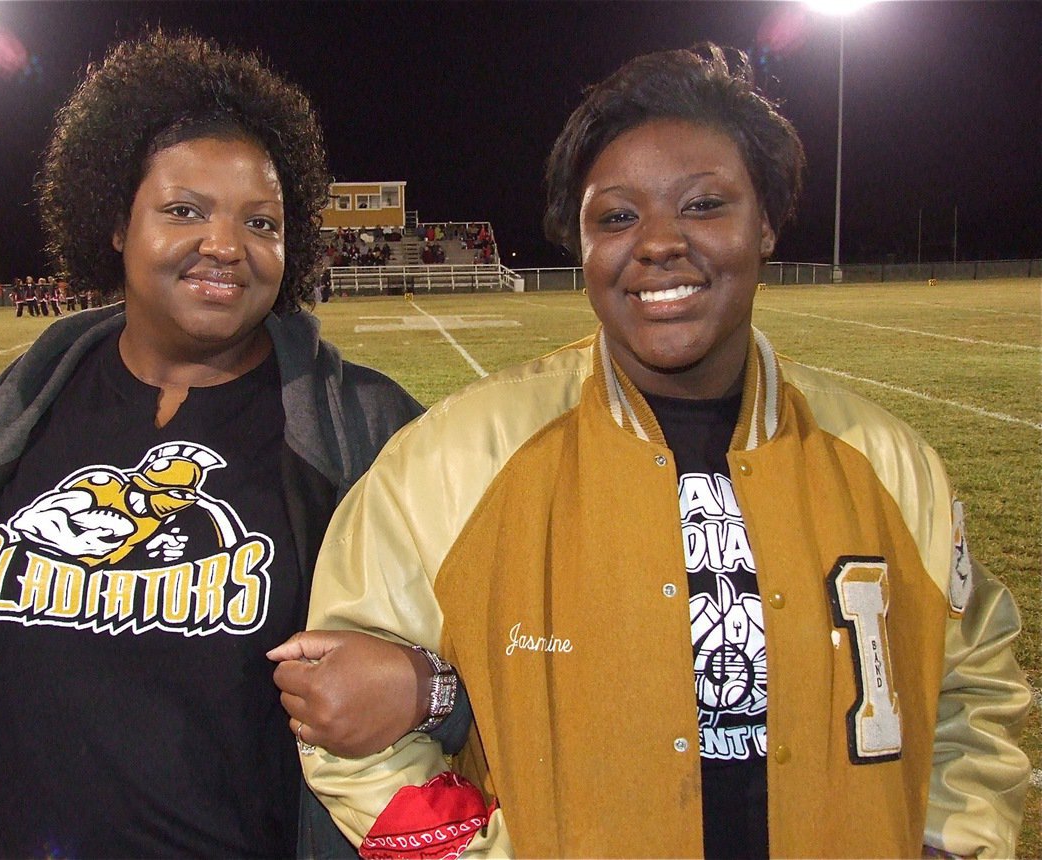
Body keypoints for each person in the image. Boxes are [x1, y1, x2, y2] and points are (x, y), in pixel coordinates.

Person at [293, 45, 1030, 858]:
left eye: (705, 205)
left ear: (767, 222)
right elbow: (340, 715)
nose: (658, 243)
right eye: (616, 216)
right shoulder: (451, 460)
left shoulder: (890, 464)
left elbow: (971, 686)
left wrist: (946, 844)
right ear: (580, 243)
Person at [0, 30, 464, 860]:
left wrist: (430, 692)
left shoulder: (373, 434)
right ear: (115, 221)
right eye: (184, 210)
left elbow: (506, 653)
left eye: (262, 221)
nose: (225, 244)